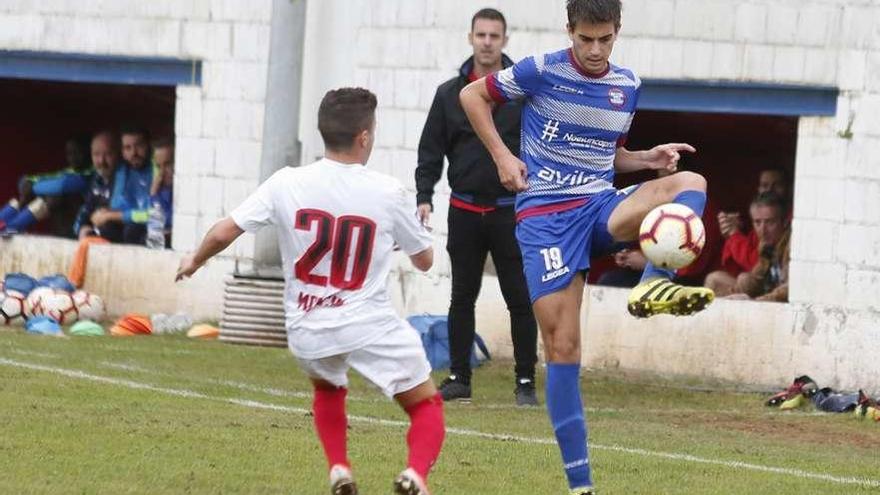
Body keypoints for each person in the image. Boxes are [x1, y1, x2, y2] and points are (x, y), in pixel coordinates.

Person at [459, 1, 714, 493]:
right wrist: (503, 157)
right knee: (564, 346)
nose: (596, 50)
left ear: (617, 31)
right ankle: (581, 487)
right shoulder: (539, 70)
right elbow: (473, 96)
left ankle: (653, 286)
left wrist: (643, 159)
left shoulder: (627, 85)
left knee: (691, 181)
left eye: (605, 39)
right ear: (569, 31)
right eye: (586, 39)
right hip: (545, 219)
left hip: (597, 206)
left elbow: (603, 153)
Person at [176, 88, 445, 495]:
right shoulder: (388, 193)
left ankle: (339, 467)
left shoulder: (287, 182)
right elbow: (424, 261)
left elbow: (224, 230)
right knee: (426, 405)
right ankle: (415, 476)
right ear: (365, 137)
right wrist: (400, 239)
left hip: (306, 326)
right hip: (366, 324)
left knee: (328, 387)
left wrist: (194, 261)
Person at [415, 7, 538, 406]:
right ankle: (459, 378)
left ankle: (524, 382)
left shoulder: (524, 95)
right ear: (471, 38)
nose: (487, 42)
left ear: (504, 40)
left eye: (494, 35)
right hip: (465, 210)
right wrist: (423, 196)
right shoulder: (449, 95)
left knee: (519, 297)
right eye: (481, 35)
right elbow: (431, 149)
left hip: (510, 211)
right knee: (461, 297)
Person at [706, 168, 791, 295]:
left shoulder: (791, 239)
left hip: (777, 297)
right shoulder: (765, 241)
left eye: (770, 222)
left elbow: (787, 289)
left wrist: (734, 235)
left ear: (784, 222)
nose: (763, 229)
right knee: (717, 279)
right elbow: (756, 276)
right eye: (757, 222)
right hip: (765, 290)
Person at [0, 135, 91, 235]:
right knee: (29, 192)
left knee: (54, 195)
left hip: (83, 222)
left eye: (77, 153)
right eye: (69, 153)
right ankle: (3, 221)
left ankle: (13, 226)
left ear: (88, 153)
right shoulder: (69, 171)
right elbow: (39, 178)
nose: (73, 158)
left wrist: (33, 187)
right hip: (64, 220)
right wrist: (29, 183)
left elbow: (62, 186)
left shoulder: (91, 173)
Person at [90, 125, 154, 245]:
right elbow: (116, 206)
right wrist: (105, 213)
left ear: (149, 145)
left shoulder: (156, 170)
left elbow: (150, 215)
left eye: (139, 146)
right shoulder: (122, 170)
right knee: (105, 228)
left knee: (133, 230)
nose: (134, 153)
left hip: (150, 231)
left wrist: (112, 215)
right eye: (127, 148)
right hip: (126, 228)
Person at [73, 131, 123, 242]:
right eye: (96, 154)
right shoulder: (96, 179)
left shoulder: (126, 178)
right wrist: (81, 228)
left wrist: (108, 215)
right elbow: (85, 211)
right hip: (95, 237)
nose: (101, 161)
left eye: (108, 154)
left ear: (119, 154)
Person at [149, 137, 174, 248]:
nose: (162, 172)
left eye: (168, 164)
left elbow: (170, 220)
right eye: (159, 166)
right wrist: (154, 195)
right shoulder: (160, 190)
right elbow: (155, 222)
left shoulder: (184, 188)